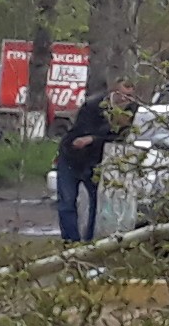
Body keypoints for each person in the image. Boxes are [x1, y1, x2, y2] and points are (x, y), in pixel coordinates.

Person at [54, 83, 126, 244]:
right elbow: (82, 130)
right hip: (72, 156)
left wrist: (93, 139)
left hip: (96, 160)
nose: (124, 99)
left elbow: (120, 136)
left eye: (128, 96)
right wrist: (93, 138)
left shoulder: (131, 111)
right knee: (67, 200)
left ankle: (90, 241)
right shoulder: (94, 105)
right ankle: (71, 240)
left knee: (96, 201)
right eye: (122, 95)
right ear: (114, 92)